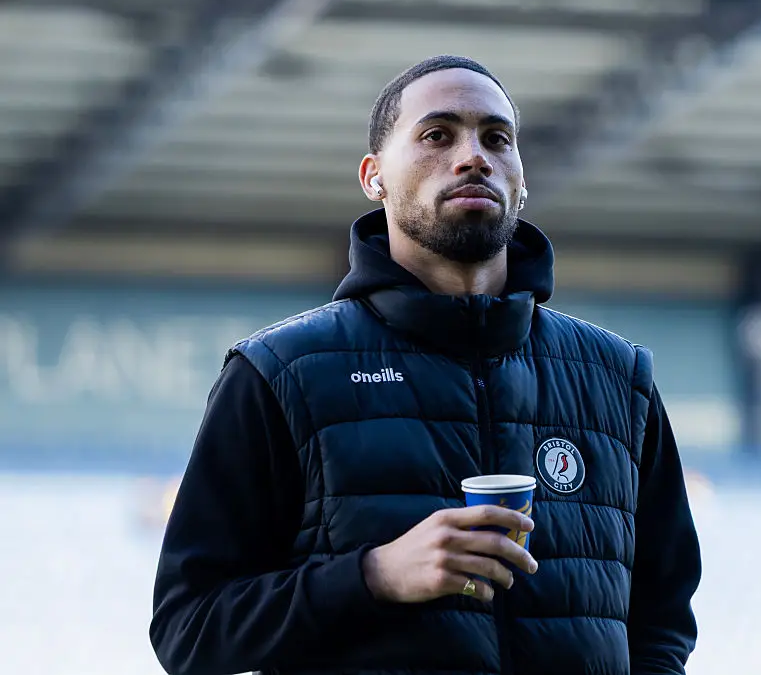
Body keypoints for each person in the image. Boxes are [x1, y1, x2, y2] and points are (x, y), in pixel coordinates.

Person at [149, 54, 701, 675]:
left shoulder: (617, 379)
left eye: (497, 139)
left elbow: (661, 617)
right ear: (373, 176)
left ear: (521, 177)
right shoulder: (279, 373)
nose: (473, 156)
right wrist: (374, 576)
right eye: (438, 135)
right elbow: (188, 629)